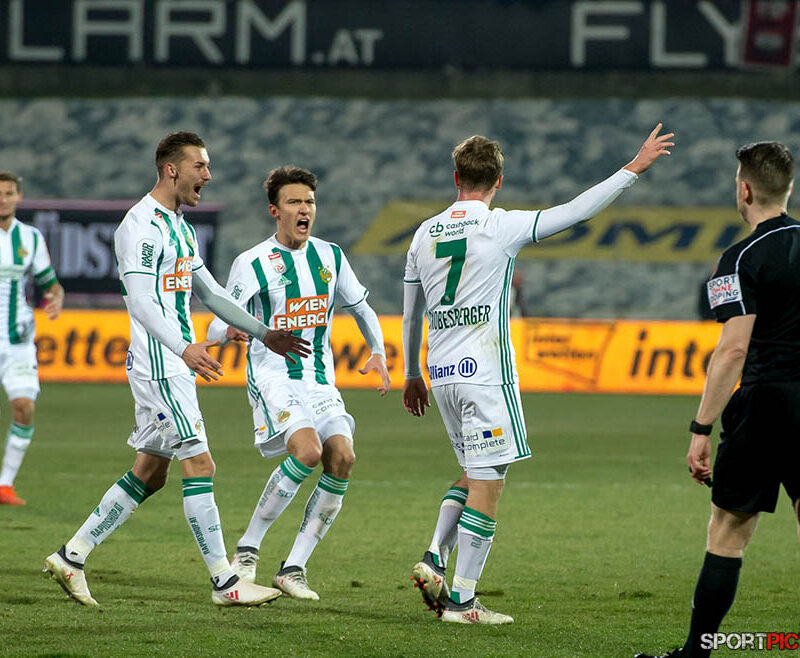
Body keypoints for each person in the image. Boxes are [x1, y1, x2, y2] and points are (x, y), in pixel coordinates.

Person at [402, 125, 674, 624]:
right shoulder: (501, 226)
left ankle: (436, 556)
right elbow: (577, 211)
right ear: (498, 181)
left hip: (439, 373)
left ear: (456, 177)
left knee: (473, 472)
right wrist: (632, 169)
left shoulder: (423, 233)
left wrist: (410, 372)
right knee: (490, 481)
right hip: (484, 373)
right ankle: (462, 601)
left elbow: (410, 312)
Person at [43, 131, 311, 608]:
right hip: (161, 365)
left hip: (173, 363)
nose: (208, 174)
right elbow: (142, 302)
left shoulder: (180, 227)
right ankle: (226, 582)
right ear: (172, 169)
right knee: (201, 465)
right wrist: (184, 348)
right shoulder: (140, 226)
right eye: (199, 166)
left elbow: (210, 293)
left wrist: (264, 332)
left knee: (150, 473)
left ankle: (71, 556)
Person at [635, 143, 798, 658]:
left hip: (765, 402)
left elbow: (732, 350)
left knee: (728, 532)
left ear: (744, 189)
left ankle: (696, 654)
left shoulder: (739, 258)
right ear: (788, 188)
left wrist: (701, 428)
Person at [207, 165, 390, 600]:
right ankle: (248, 549)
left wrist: (378, 351)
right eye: (294, 202)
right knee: (308, 451)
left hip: (320, 380)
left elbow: (361, 307)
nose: (304, 209)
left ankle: (293, 568)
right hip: (273, 376)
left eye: (309, 201)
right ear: (275, 210)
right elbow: (218, 321)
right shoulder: (252, 262)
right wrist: (229, 331)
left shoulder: (331, 256)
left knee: (342, 457)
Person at [0, 171, 64, 506]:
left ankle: (4, 486)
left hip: (17, 340)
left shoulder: (30, 238)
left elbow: (50, 283)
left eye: (9, 193)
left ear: (18, 197)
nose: (3, 199)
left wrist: (56, 297)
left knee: (24, 407)